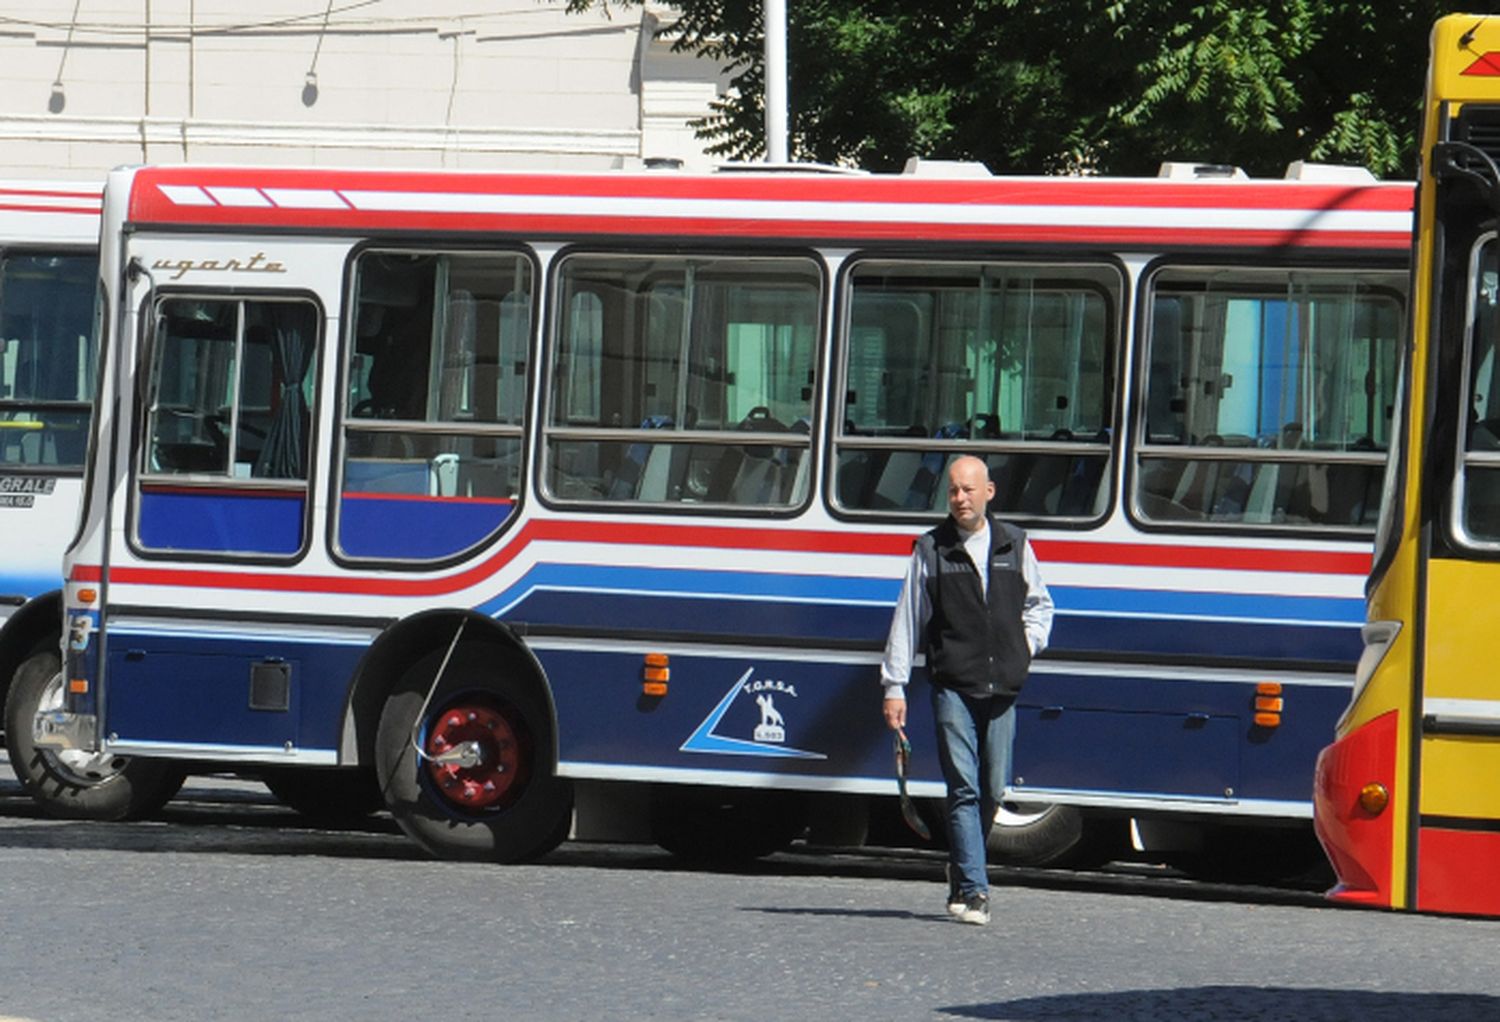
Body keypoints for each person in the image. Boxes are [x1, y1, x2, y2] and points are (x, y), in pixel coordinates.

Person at [880, 454, 1053, 926]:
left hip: (1003, 687)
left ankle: (961, 867)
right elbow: (907, 619)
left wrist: (1024, 647)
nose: (959, 498)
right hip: (952, 685)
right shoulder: (930, 550)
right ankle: (976, 892)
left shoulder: (1016, 544)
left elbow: (1041, 606)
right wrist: (894, 686)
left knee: (994, 787)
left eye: (968, 490)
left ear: (989, 493)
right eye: (953, 490)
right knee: (963, 787)